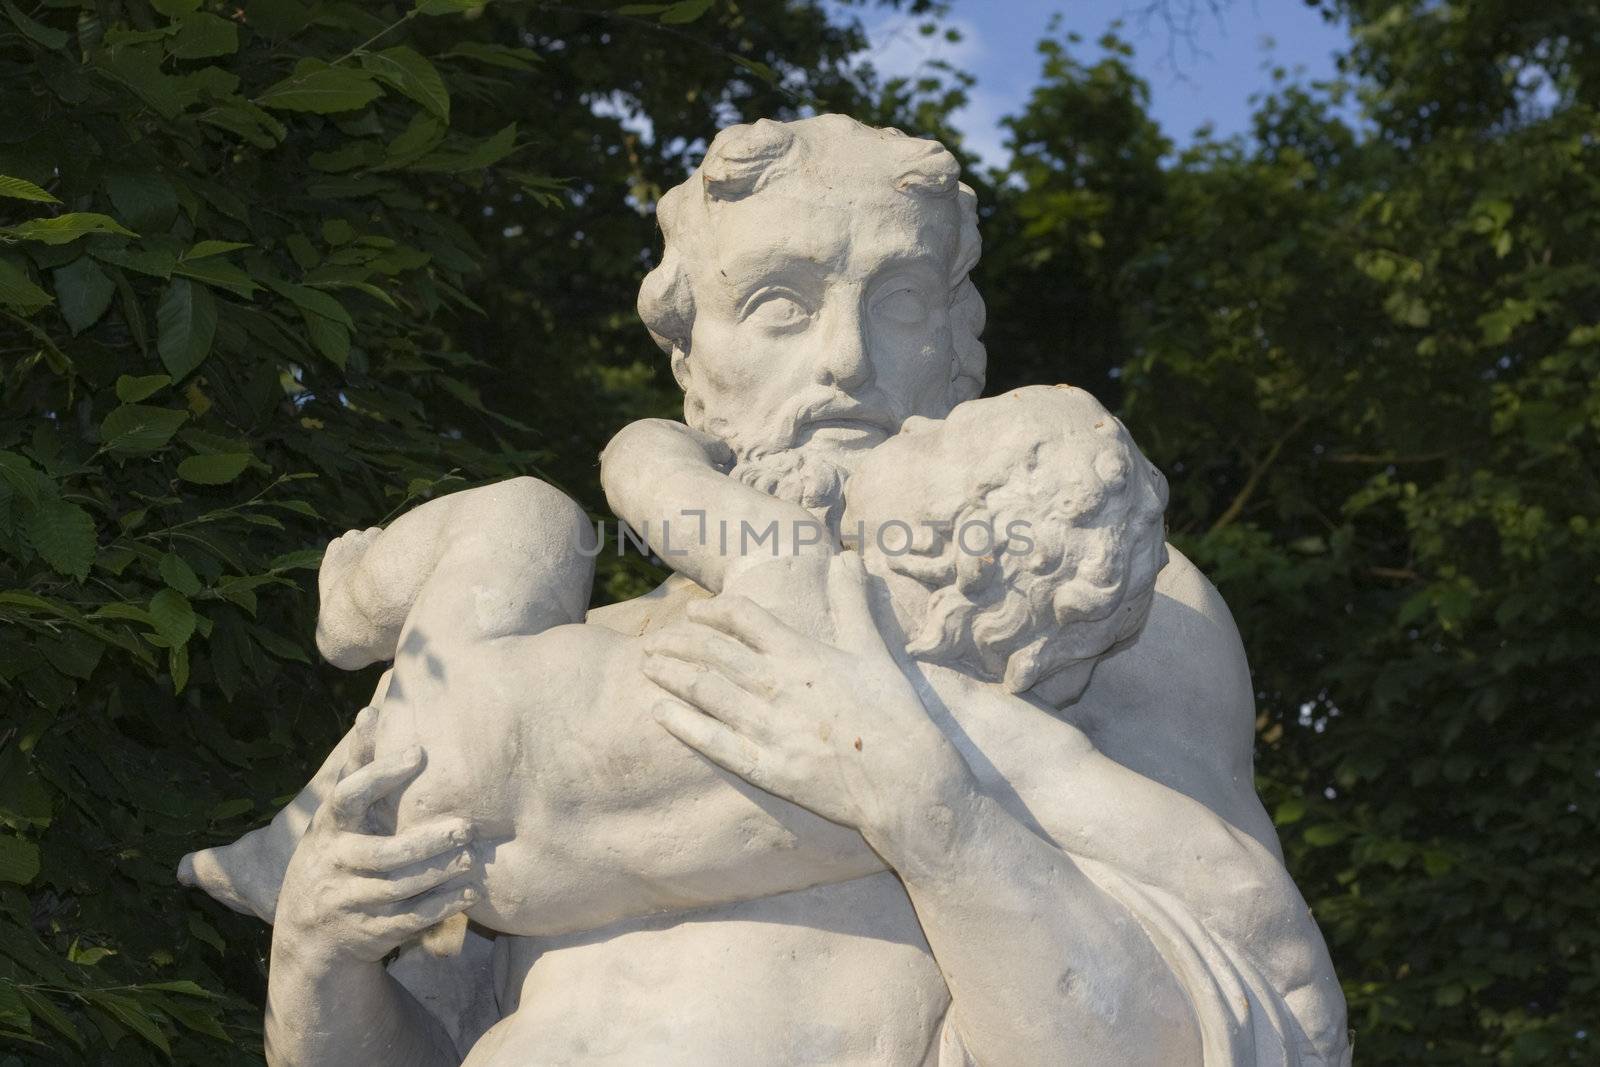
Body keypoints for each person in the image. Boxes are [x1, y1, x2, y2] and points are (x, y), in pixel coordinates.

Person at [188, 115, 1350, 1065]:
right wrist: (318, 961)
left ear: (962, 347)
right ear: (694, 362)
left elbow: (1241, 1006)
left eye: (896, 300)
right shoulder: (572, 657)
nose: (845, 357)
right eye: (782, 305)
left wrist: (933, 812)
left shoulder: (1093, 596)